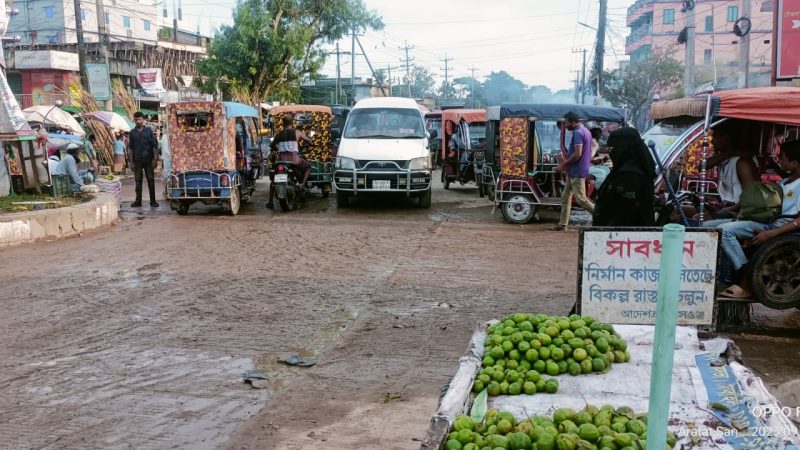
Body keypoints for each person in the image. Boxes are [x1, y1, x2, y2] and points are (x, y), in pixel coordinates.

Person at [716, 140, 800, 299]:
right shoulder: (785, 182)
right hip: (769, 222)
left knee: (723, 231)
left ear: (794, 162)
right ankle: (726, 277)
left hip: (778, 227)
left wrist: (772, 234)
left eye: (782, 158)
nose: (779, 161)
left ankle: (748, 274)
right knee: (710, 225)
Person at [592, 127, 657, 227]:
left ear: (624, 148)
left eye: (612, 149)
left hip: (624, 237)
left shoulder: (630, 176)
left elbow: (623, 215)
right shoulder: (627, 171)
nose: (611, 153)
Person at [551, 112, 595, 231]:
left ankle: (602, 217)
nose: (565, 126)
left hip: (577, 171)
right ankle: (563, 224)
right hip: (575, 170)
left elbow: (577, 154)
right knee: (565, 197)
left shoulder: (578, 133)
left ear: (573, 122)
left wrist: (562, 165)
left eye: (566, 123)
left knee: (581, 199)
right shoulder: (586, 131)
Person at [266, 114, 313, 209]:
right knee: (308, 166)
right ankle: (302, 184)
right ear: (292, 123)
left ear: (283, 123)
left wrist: (276, 148)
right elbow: (308, 140)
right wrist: (311, 143)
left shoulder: (279, 134)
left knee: (274, 180)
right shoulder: (297, 132)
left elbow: (272, 145)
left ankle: (270, 201)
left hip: (281, 161)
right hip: (294, 160)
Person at [129, 111, 160, 207]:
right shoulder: (132, 133)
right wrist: (131, 162)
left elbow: (154, 145)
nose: (138, 121)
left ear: (143, 120)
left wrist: (155, 159)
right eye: (136, 120)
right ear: (134, 120)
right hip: (137, 160)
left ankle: (153, 201)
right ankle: (138, 201)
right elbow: (131, 148)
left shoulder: (149, 131)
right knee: (138, 181)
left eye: (140, 119)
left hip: (148, 160)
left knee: (151, 180)